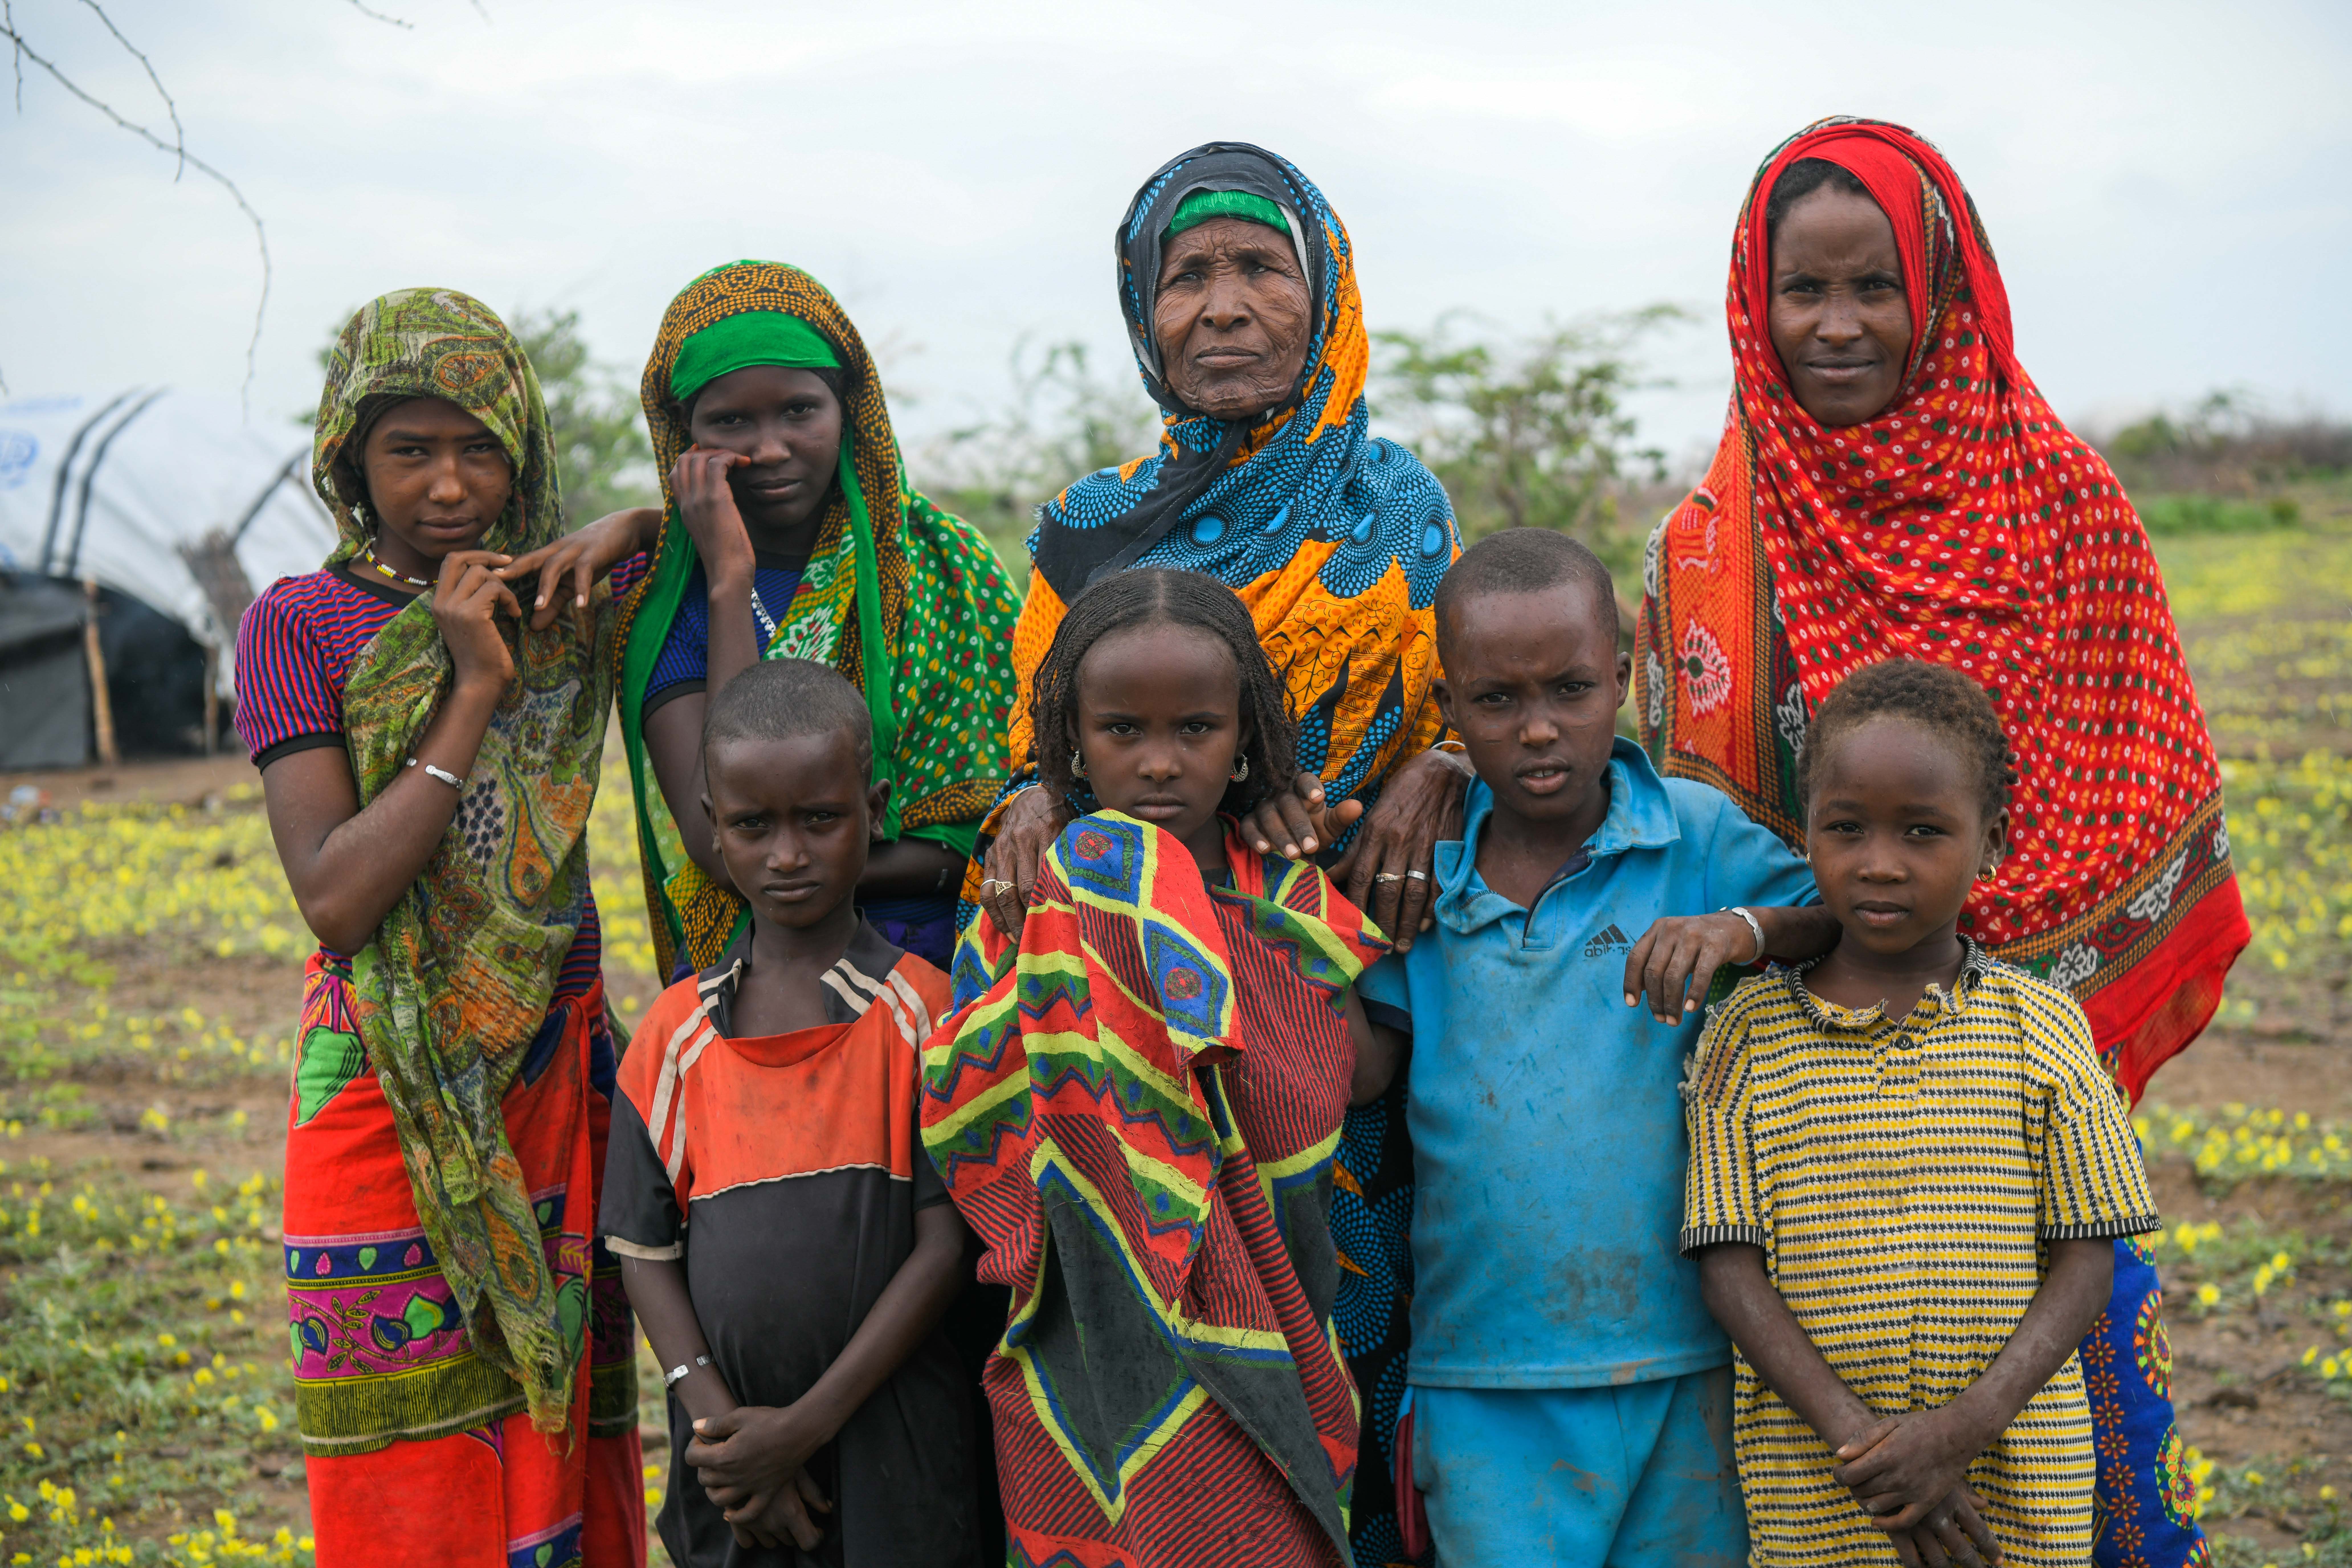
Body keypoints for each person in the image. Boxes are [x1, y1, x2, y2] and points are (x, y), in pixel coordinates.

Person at [1636, 116, 2245, 1567]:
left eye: (1873, 288)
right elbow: (1688, 839)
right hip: (1790, 1114)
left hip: (2030, 1095)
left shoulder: (2065, 509)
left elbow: (2128, 796)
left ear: (1945, 290)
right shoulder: (1714, 547)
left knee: (2063, 1491)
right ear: (1750, 300)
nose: (1835, 325)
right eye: (1802, 290)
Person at [968, 143, 1467, 1563]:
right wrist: (1025, 801)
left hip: (1333, 1007)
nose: (1224, 305)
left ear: (1325, 294)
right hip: (1131, 1024)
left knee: (1343, 1383)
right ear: (1140, 309)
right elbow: (1042, 742)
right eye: (1187, 276)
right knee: (1151, 1375)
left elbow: (1475, 714)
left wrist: (1431, 772)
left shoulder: (1395, 507)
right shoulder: (1086, 526)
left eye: (1261, 269)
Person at [234, 289, 642, 1566]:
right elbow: (340, 898)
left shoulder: (573, 592)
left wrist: (633, 521)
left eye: (479, 447)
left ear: (521, 448)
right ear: (351, 459)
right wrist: (470, 688)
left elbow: (741, 492)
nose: (450, 485)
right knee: (406, 1463)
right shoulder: (299, 624)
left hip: (558, 1077)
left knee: (570, 1432)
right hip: (383, 1080)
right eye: (410, 450)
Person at [1347, 528, 1837, 1566]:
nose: (1537, 730)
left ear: (1621, 680)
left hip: (1688, 1356)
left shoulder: (1693, 837)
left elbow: (1831, 921)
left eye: (1569, 690)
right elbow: (1361, 1072)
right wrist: (1291, 904)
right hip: (1481, 1373)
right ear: (1446, 709)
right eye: (1495, 702)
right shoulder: (1421, 871)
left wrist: (1736, 930)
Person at [921, 568, 1388, 1568]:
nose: (1160, 763)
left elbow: (1349, 1081)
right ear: (1072, 743)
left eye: (1196, 730)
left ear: (1247, 736)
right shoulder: (1040, 896)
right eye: (1122, 730)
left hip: (1278, 1313)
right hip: (1084, 1331)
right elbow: (968, 1094)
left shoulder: (1292, 896)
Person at [1686, 659, 2162, 1568]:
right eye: (1847, 828)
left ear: (1992, 841)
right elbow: (1727, 1270)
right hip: (1822, 1486)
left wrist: (1961, 1432)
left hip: (2016, 1479)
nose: (1880, 863)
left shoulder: (2042, 1028)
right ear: (1809, 835)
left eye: (1923, 832)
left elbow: (2089, 1255)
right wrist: (1866, 1446)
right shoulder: (1746, 1034)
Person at [530, 260, 1022, 979]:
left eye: (799, 410)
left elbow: (992, 824)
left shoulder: (946, 568)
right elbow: (719, 841)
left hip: (943, 982)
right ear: (682, 438)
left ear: (849, 409)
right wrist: (730, 578)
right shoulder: (670, 607)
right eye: (730, 421)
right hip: (753, 989)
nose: (769, 448)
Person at [601, 659, 975, 1567]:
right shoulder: (673, 1035)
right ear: (713, 831)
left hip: (899, 1450)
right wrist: (722, 1428)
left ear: (874, 809)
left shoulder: (928, 1016)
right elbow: (644, 1252)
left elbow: (947, 1249)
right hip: (728, 1470)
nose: (788, 855)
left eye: (820, 819)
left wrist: (802, 1430)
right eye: (753, 826)